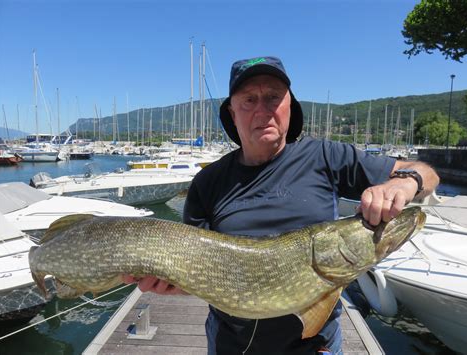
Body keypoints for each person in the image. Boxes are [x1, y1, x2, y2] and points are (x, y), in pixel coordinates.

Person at [123, 56, 439, 354]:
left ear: (290, 105)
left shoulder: (326, 157)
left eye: (274, 97)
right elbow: (193, 273)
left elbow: (427, 173)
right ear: (232, 113)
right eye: (249, 100)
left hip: (315, 346)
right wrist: (174, 285)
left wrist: (404, 181)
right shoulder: (208, 182)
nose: (263, 109)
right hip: (232, 344)